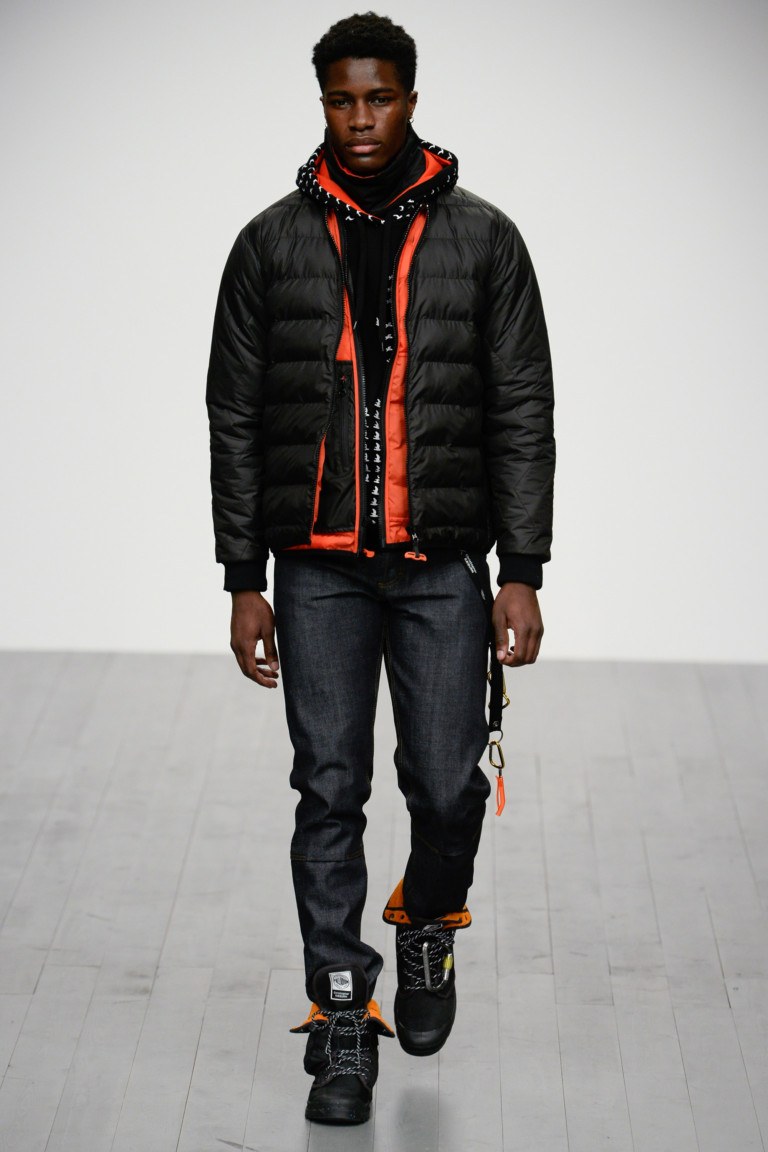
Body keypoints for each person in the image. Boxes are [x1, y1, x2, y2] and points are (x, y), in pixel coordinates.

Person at [206, 11, 554, 1126]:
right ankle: (343, 1016)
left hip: (443, 564)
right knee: (328, 787)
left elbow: (522, 408)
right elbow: (234, 415)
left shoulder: (484, 240)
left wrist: (522, 566)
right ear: (323, 103)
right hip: (316, 571)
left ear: (411, 97)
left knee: (448, 786)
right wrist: (243, 577)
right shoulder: (269, 245)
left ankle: (428, 922)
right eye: (341, 100)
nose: (360, 119)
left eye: (380, 98)